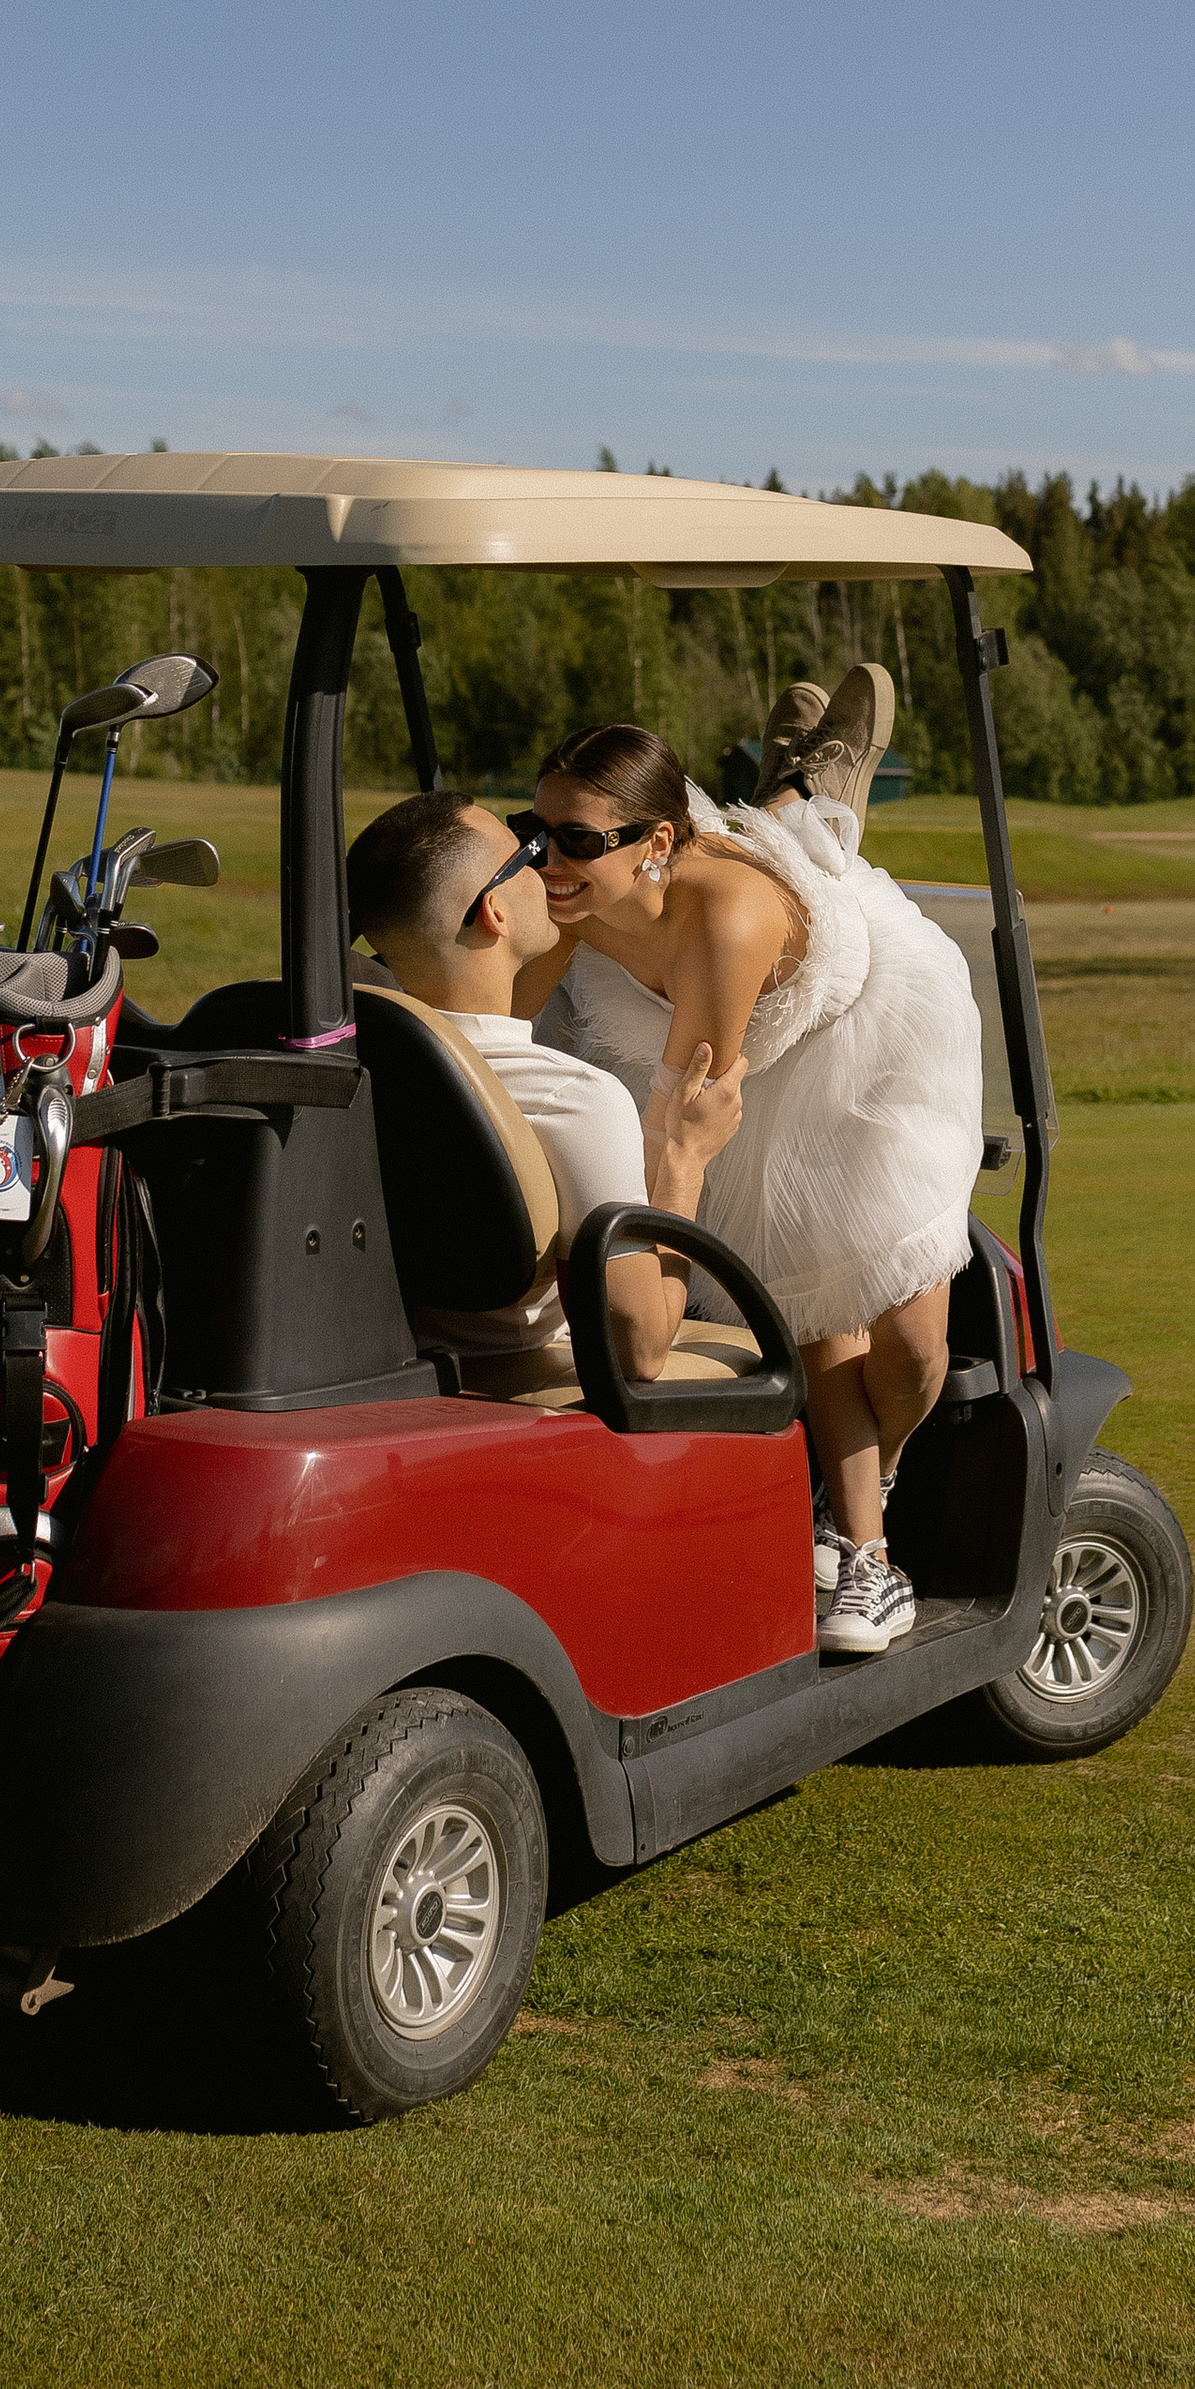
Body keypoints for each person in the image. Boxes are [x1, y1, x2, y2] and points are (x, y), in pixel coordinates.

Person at [513, 674, 983, 1660]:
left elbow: (690, 1122)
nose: (546, 859)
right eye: (536, 828)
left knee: (913, 1352)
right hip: (722, 1040)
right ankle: (864, 1552)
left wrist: (655, 1283)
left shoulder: (724, 916)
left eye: (576, 840)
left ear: (653, 846)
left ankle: (815, 780)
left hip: (863, 1021)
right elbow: (494, 1002)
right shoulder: (568, 891)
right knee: (816, 1298)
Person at [344, 788, 746, 1387]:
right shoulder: (573, 1100)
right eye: (527, 852)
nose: (548, 867)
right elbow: (638, 1350)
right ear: (494, 913)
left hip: (383, 1364)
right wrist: (686, 1158)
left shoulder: (346, 1057)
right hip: (516, 1380)